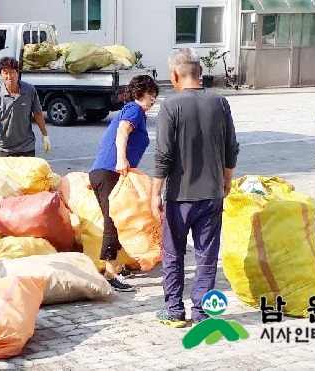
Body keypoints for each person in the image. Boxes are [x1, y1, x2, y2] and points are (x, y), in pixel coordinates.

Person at [151, 48, 239, 328]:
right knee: (207, 256)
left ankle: (174, 311)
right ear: (200, 73)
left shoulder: (170, 106)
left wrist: (155, 192)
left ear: (174, 76)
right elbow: (231, 148)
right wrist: (226, 179)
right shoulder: (220, 102)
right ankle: (202, 313)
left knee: (173, 253)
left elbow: (163, 154)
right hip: (212, 195)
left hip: (179, 197)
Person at [89, 74, 159, 292]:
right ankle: (110, 274)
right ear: (139, 93)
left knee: (121, 219)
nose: (153, 99)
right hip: (110, 171)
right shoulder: (133, 109)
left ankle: (116, 264)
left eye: (155, 95)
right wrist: (120, 159)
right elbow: (121, 132)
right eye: (150, 94)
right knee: (114, 221)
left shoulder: (136, 112)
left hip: (107, 172)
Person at [0, 56, 50, 157]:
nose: (9, 76)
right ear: (0, 75)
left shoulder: (29, 90)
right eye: (5, 72)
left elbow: (38, 114)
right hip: (4, 149)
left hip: (27, 148)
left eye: (12, 72)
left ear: (18, 73)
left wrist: (45, 135)